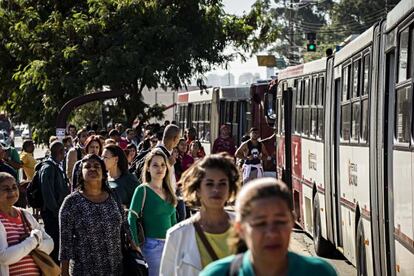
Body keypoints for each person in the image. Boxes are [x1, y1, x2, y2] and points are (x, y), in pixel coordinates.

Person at [200, 178, 338, 276]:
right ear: (240, 228)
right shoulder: (216, 273)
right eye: (260, 223)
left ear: (292, 222)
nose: (272, 233)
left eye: (280, 222)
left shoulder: (319, 272)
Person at [160, 153, 240, 275]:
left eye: (222, 183)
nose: (216, 190)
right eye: (209, 184)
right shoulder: (177, 235)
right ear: (198, 189)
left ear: (230, 188)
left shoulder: (245, 229)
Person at [59, 154, 124, 276]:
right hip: (84, 270)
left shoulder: (114, 196)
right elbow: (65, 244)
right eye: (87, 167)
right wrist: (64, 272)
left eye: (96, 166)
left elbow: (125, 225)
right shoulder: (71, 202)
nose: (92, 169)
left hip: (116, 268)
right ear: (80, 174)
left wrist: (134, 247)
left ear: (104, 173)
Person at [129, 148, 177, 276]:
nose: (160, 168)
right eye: (155, 165)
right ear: (148, 168)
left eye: (162, 165)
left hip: (170, 246)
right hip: (151, 246)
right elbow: (131, 217)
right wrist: (136, 245)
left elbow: (174, 222)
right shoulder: (142, 190)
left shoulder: (170, 192)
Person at [0, 172, 54, 276]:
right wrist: (32, 241)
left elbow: (50, 244)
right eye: (6, 189)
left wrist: (37, 242)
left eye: (14, 187)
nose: (12, 191)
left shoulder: (25, 215)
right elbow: (4, 257)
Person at [39, 141, 69, 263]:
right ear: (59, 152)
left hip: (57, 212)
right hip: (52, 214)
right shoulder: (48, 168)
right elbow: (48, 193)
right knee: (53, 242)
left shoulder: (56, 166)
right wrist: (56, 211)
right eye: (63, 151)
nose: (64, 154)